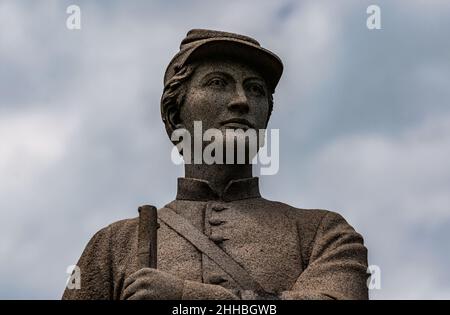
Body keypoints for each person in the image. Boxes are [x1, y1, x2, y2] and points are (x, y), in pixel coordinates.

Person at [62, 29, 369, 300]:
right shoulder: (113, 246)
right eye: (218, 83)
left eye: (255, 89)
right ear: (174, 114)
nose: (241, 101)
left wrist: (187, 296)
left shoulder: (324, 233)